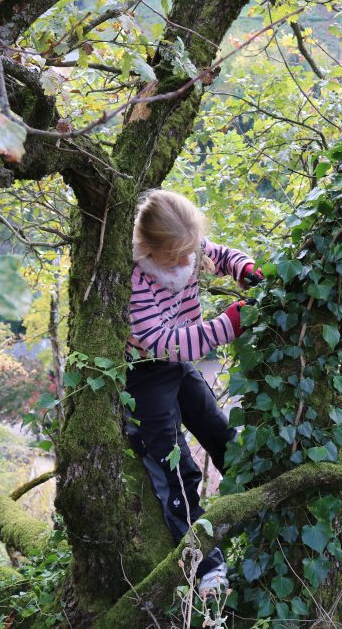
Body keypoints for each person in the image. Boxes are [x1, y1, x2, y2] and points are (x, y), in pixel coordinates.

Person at [123, 189, 263, 592]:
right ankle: (206, 566)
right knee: (176, 468)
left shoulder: (185, 242)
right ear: (150, 247)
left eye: (190, 251)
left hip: (181, 365)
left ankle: (256, 508)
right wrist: (228, 325)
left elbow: (217, 253)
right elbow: (160, 341)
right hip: (145, 375)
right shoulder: (135, 277)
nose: (188, 262)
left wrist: (244, 268)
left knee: (219, 431)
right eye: (176, 257)